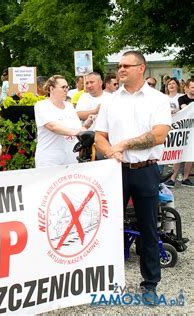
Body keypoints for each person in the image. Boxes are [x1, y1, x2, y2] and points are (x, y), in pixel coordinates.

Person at [95, 51, 171, 301]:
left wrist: (124, 144)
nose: (122, 69)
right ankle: (107, 281)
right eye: (120, 66)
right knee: (109, 227)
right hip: (115, 171)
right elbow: (100, 136)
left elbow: (159, 135)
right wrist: (109, 151)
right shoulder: (110, 100)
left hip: (146, 169)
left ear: (142, 68)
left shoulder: (157, 99)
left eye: (127, 65)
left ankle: (150, 283)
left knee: (148, 228)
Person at [34, 75, 93, 168]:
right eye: (63, 87)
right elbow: (52, 127)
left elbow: (78, 129)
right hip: (50, 159)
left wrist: (86, 126)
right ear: (51, 89)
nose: (66, 90)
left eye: (67, 87)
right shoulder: (41, 106)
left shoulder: (69, 106)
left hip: (70, 158)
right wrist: (76, 132)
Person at [165, 78, 194, 188]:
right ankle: (173, 178)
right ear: (187, 88)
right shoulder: (182, 98)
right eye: (192, 87)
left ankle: (185, 178)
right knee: (179, 152)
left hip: (193, 130)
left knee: (191, 154)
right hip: (183, 130)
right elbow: (184, 109)